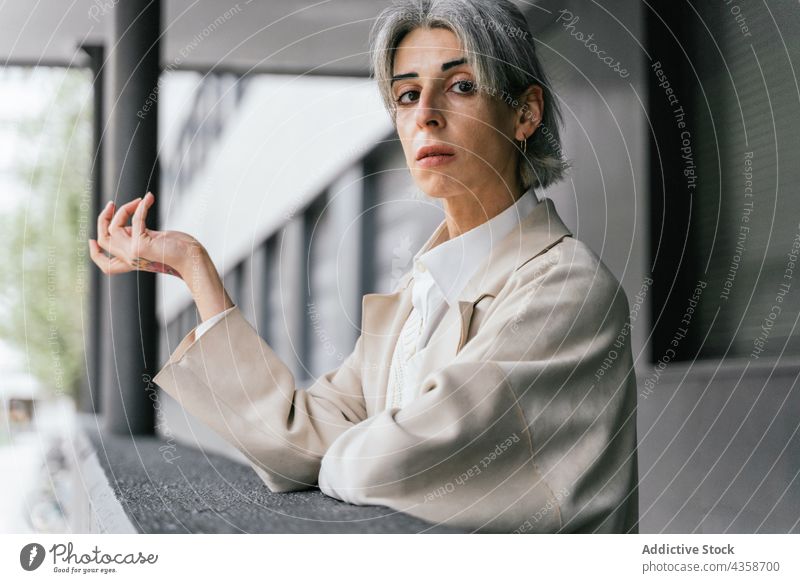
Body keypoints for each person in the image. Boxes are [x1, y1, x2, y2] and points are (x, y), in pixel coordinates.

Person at [88, 0, 639, 533]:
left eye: (461, 85)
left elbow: (392, 465)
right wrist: (196, 270)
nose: (426, 114)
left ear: (525, 112)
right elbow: (293, 442)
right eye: (406, 94)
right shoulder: (415, 297)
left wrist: (347, 451)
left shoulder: (566, 290)